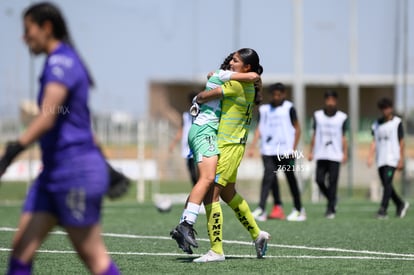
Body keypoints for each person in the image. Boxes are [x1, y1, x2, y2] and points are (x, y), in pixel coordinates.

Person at [0, 3, 120, 274]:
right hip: (53, 174)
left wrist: (11, 151)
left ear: (46, 28)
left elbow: (47, 116)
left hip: (73, 173)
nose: (23, 37)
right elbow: (77, 122)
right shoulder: (61, 60)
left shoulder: (60, 61)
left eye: (27, 29)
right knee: (20, 251)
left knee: (95, 259)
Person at [179, 48, 270, 262]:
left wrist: (201, 93)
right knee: (229, 194)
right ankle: (258, 235)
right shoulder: (246, 84)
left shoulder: (237, 85)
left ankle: (216, 250)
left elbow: (204, 95)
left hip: (228, 146)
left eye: (236, 61)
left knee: (212, 195)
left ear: (247, 68)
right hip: (234, 146)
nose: (231, 63)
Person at [248, 83, 306, 222]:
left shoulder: (289, 108)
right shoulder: (264, 110)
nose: (276, 97)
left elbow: (297, 129)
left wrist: (293, 148)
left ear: (284, 94)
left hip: (286, 151)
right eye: (274, 94)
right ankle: (262, 209)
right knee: (268, 178)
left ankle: (299, 209)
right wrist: (252, 146)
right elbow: (259, 129)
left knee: (290, 178)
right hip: (268, 150)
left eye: (279, 94)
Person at [367, 97, 409, 219]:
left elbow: (401, 141)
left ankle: (383, 210)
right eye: (383, 108)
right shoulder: (376, 124)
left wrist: (401, 158)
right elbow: (374, 141)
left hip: (392, 159)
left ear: (391, 108)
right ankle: (400, 204)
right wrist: (370, 156)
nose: (385, 110)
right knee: (387, 185)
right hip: (381, 159)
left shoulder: (397, 122)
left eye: (387, 107)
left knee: (387, 182)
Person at [308, 90, 348, 219]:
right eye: (328, 100)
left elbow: (343, 137)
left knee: (333, 182)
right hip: (321, 153)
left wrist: (345, 153)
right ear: (325, 101)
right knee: (319, 180)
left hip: (335, 155)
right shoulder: (317, 116)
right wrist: (311, 151)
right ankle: (333, 199)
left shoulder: (342, 117)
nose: (330, 102)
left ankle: (330, 209)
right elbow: (314, 134)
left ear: (336, 101)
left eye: (333, 100)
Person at [168, 92, 198, 186]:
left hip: (199, 146)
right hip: (188, 148)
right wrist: (173, 143)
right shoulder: (186, 116)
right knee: (192, 172)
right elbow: (181, 130)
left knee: (200, 172)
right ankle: (197, 192)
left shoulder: (203, 114)